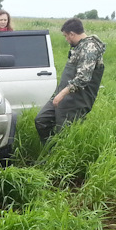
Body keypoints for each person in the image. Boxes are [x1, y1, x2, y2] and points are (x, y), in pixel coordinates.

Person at [34, 18, 106, 146]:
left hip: (76, 99)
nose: (66, 39)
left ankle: (60, 155)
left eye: (66, 36)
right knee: (42, 120)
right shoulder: (78, 46)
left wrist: (62, 94)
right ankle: (50, 151)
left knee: (65, 133)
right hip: (62, 95)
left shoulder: (90, 48)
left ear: (72, 34)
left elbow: (83, 78)